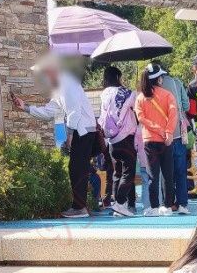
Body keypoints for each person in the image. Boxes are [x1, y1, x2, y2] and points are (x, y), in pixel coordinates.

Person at [11, 53, 97, 219]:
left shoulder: (66, 82)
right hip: (81, 130)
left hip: (83, 130)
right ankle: (80, 206)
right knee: (76, 168)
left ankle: (80, 207)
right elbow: (49, 111)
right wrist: (25, 107)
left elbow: (74, 111)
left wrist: (69, 135)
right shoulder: (59, 86)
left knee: (77, 168)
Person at [135, 63, 177, 217]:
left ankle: (153, 207)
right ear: (158, 79)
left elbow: (141, 118)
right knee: (168, 174)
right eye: (161, 76)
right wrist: (168, 132)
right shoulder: (168, 95)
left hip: (149, 140)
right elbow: (173, 114)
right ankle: (167, 206)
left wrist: (157, 129)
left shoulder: (140, 98)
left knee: (152, 175)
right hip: (166, 140)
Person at [99, 66, 138, 218]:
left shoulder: (104, 93)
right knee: (129, 172)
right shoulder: (127, 93)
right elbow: (137, 107)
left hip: (111, 140)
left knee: (117, 172)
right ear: (117, 77)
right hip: (126, 137)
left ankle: (117, 204)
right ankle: (120, 203)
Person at [161, 70, 191, 215]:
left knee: (166, 173)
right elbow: (186, 106)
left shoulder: (154, 87)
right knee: (180, 171)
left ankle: (169, 203)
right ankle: (183, 204)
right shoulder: (177, 82)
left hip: (162, 136)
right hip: (179, 132)